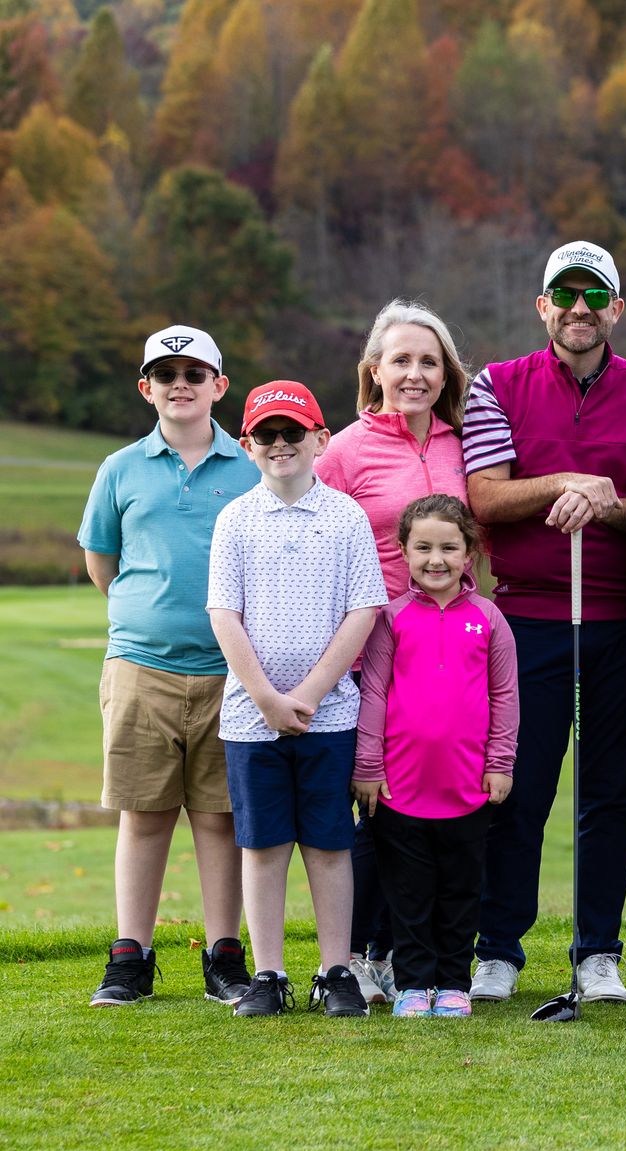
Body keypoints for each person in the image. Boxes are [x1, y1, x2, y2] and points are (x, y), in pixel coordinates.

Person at [462, 241, 626, 1003]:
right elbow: (485, 497)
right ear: (542, 306)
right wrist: (568, 483)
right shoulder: (496, 384)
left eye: (596, 297)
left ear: (616, 308)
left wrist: (603, 503)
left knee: (610, 792)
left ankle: (598, 951)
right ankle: (499, 947)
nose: (579, 310)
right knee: (519, 788)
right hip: (526, 618)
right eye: (565, 295)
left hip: (621, 620)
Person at [79, 326, 259, 1008]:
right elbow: (104, 564)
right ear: (145, 387)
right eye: (165, 373)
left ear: (219, 385)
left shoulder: (248, 469)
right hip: (142, 666)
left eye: (194, 372)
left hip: (229, 671)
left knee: (220, 817)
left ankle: (224, 954)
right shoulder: (120, 469)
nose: (179, 383)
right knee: (145, 813)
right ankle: (132, 955)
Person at [207, 380, 386, 1017]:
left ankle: (335, 969)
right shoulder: (235, 519)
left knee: (330, 844)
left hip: (329, 713)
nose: (280, 445)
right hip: (250, 719)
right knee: (262, 844)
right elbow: (225, 615)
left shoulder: (346, 517)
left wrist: (305, 697)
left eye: (293, 433)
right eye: (266, 436)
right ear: (248, 445)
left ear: (320, 439)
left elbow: (362, 611)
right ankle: (269, 973)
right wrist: (266, 699)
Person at [316, 299, 472, 1006]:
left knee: (432, 812)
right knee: (375, 807)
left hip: (448, 656)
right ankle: (357, 953)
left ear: (446, 374)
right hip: (369, 654)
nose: (414, 373)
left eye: (428, 361)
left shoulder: (458, 443)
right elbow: (319, 554)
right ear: (374, 370)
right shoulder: (345, 450)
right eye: (401, 360)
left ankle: (415, 953)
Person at [353, 495, 519, 1018]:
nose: (436, 559)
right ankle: (412, 984)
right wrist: (368, 767)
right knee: (408, 893)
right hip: (400, 789)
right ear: (402, 550)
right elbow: (374, 692)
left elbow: (504, 695)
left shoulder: (489, 619)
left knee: (459, 893)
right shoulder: (390, 618)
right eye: (423, 547)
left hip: (467, 788)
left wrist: (500, 763)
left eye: (449, 547)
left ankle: (452, 983)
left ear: (469, 551)